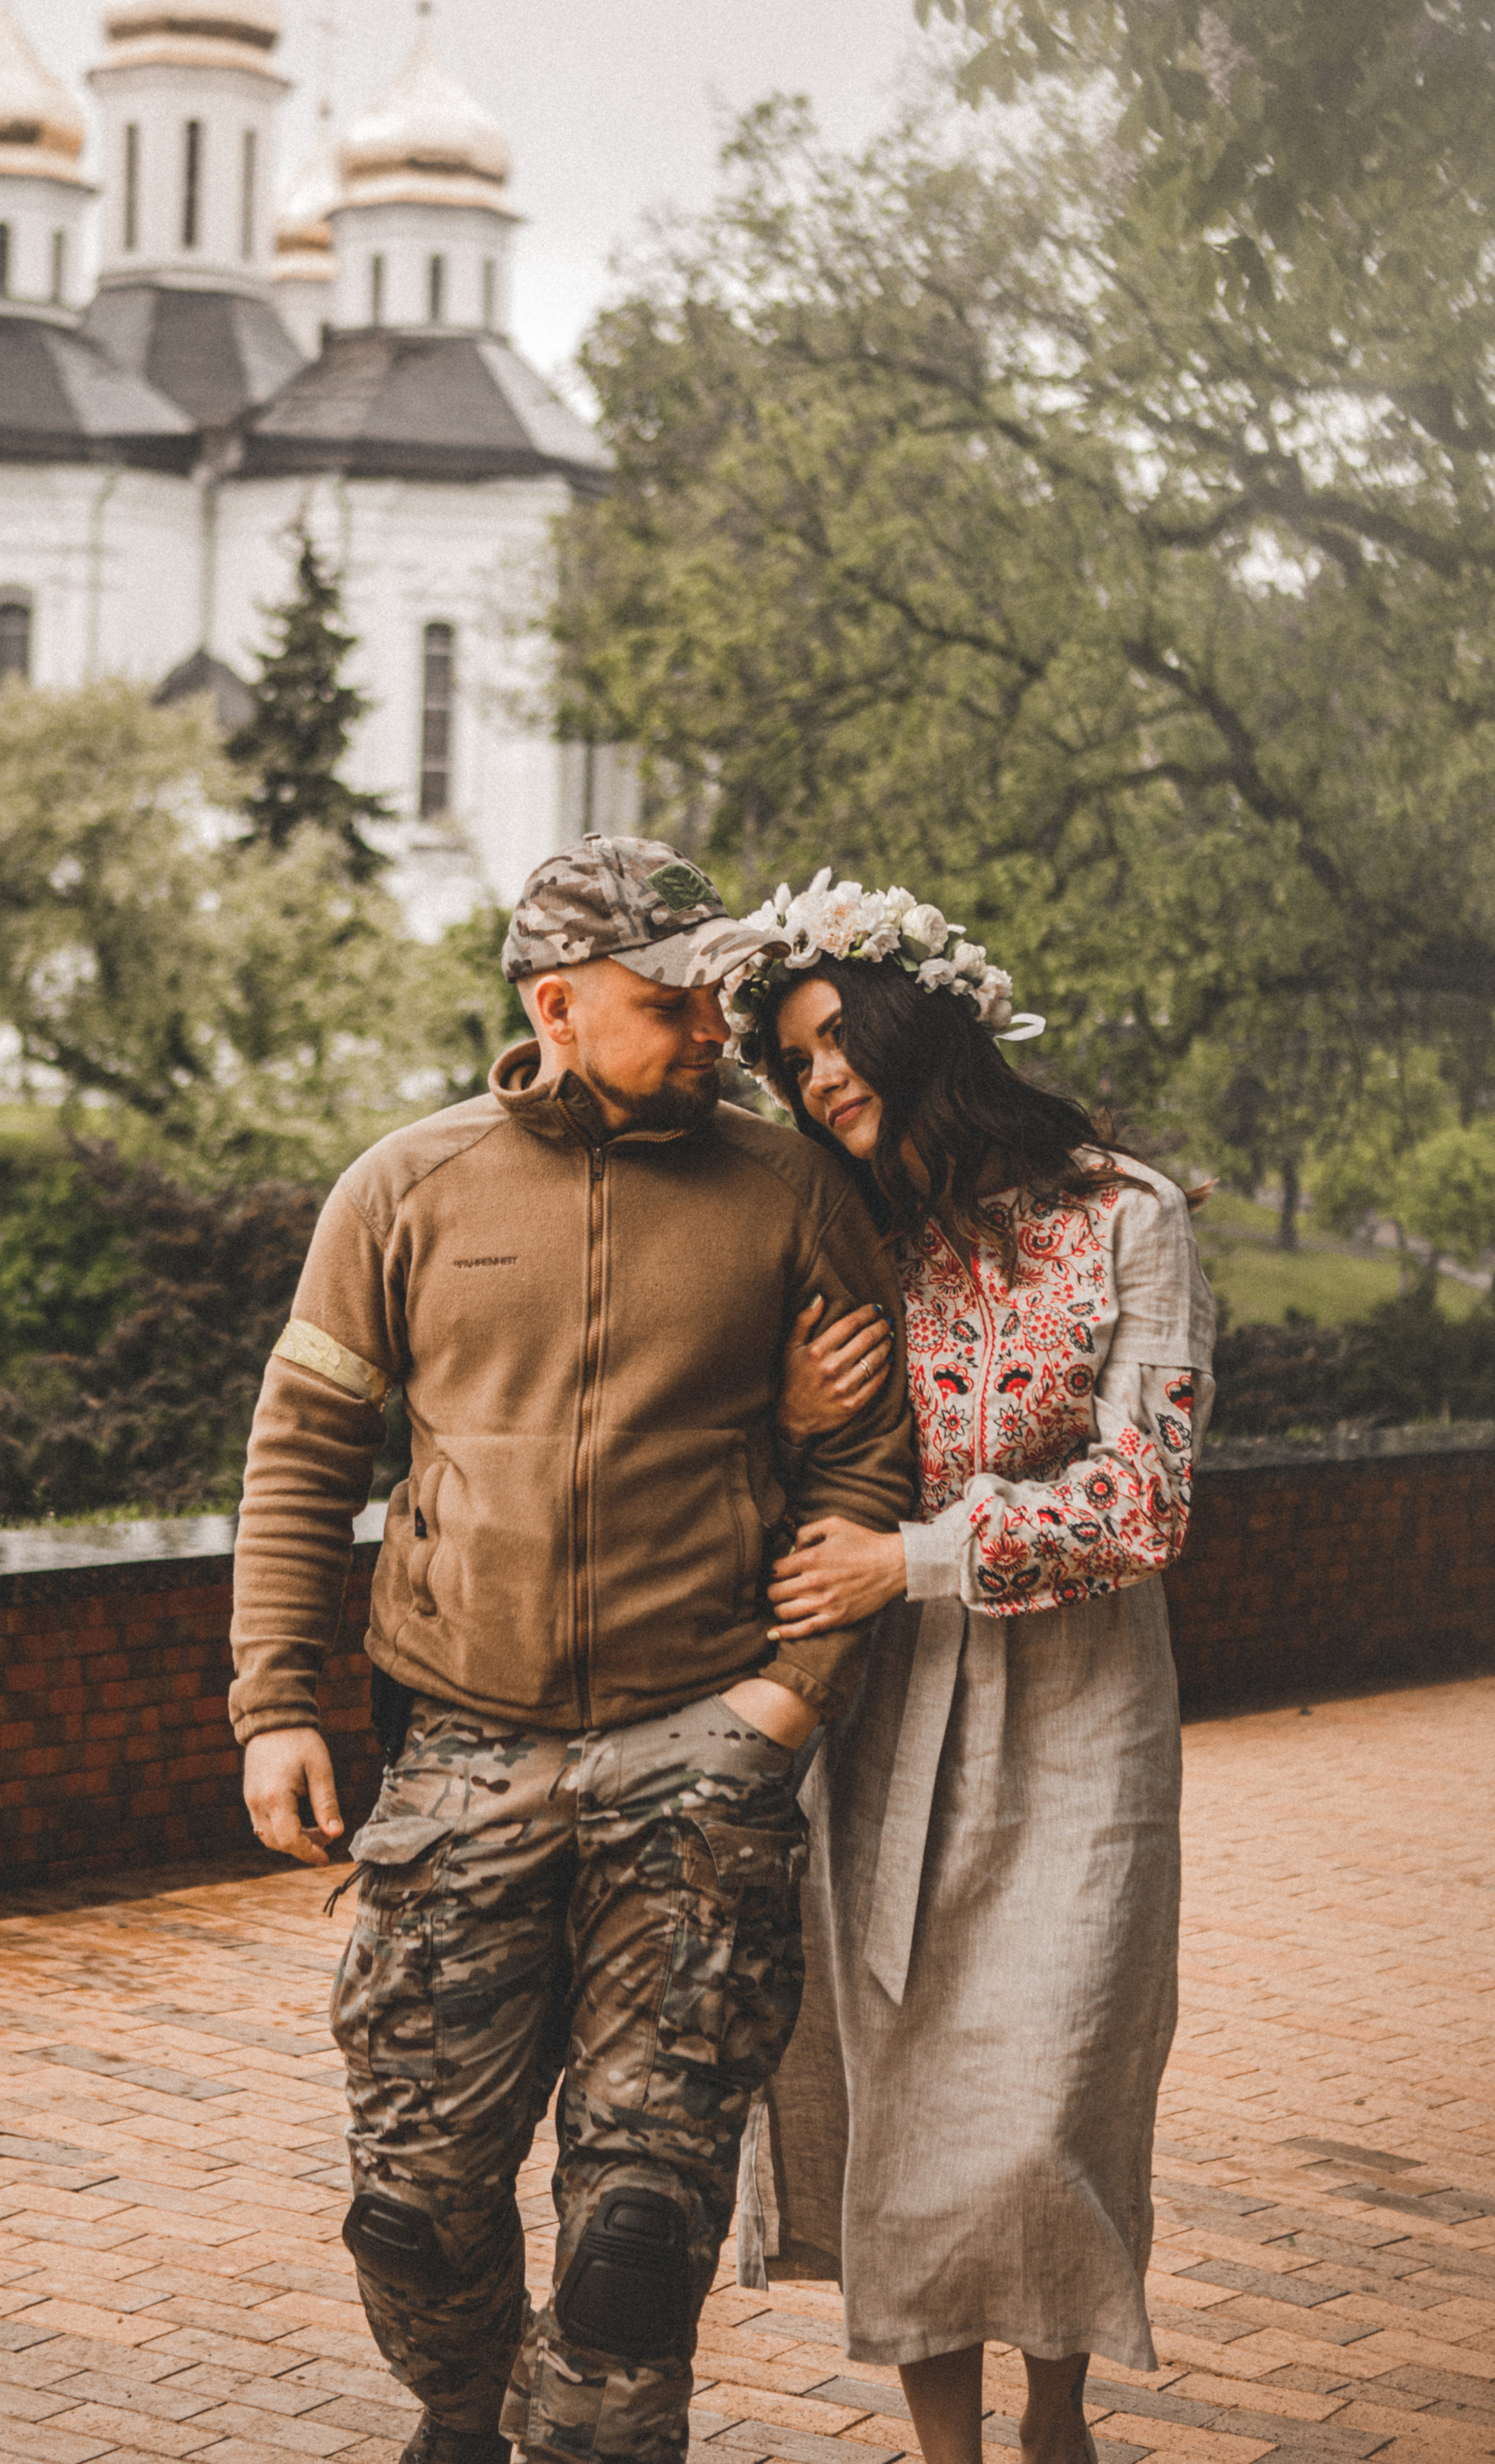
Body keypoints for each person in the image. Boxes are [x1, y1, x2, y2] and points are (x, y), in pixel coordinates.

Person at [230, 834, 913, 2464]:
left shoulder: (788, 1188)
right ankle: (460, 2414)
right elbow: (302, 1451)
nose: (713, 1027)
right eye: (673, 997)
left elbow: (867, 1462)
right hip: (458, 1752)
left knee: (633, 2231)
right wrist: (274, 1702)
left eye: (718, 994)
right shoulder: (403, 1188)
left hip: (700, 1755)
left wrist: (780, 1702)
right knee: (410, 2205)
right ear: (557, 1003)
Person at [724, 873, 1215, 2464]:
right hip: (882, 1722)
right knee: (909, 2100)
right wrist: (797, 1422)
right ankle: (946, 2450)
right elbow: (755, 1470)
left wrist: (915, 1556)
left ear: (910, 1021)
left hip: (1079, 1715)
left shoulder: (1128, 1216)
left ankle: (1053, 2417)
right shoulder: (834, 1230)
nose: (813, 1079)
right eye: (790, 1059)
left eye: (826, 1039)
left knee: (1053, 2092)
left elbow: (1145, 1499)